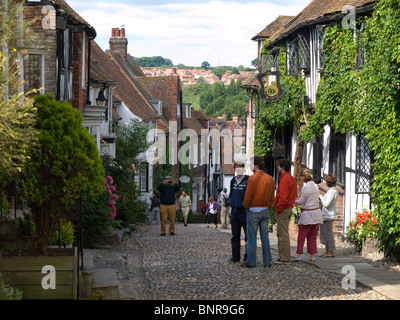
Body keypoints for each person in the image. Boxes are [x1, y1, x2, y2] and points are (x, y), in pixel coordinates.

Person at [242, 156, 275, 268]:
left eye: (251, 164)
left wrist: (246, 206)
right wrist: (269, 204)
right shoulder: (270, 178)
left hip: (253, 210)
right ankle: (267, 261)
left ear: (256, 165)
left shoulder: (252, 179)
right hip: (265, 209)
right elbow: (272, 196)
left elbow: (248, 197)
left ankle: (251, 262)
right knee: (265, 236)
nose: (250, 166)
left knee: (252, 237)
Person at [294, 168, 323, 262]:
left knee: (301, 236)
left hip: (308, 213)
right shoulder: (315, 186)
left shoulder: (306, 187)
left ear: (303, 177)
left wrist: (293, 200)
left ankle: (299, 255)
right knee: (312, 236)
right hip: (316, 212)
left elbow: (302, 201)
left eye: (300, 177)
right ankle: (312, 255)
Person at [275, 159, 297, 264]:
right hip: (288, 208)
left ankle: (284, 257)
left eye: (278, 166)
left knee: (282, 234)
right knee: (283, 233)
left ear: (282, 167)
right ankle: (284, 256)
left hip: (283, 209)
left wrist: (278, 209)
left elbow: (283, 197)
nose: (277, 168)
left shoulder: (285, 180)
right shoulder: (291, 178)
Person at [229, 161, 249, 263]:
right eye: (237, 167)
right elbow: (231, 193)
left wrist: (245, 204)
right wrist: (230, 201)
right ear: (235, 169)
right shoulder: (233, 180)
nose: (239, 169)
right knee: (235, 235)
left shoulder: (247, 180)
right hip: (234, 211)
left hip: (244, 211)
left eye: (241, 167)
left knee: (247, 235)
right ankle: (235, 257)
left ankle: (247, 256)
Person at [319, 174, 338, 258]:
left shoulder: (332, 191)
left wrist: (321, 196)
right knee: (325, 234)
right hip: (326, 215)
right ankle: (327, 250)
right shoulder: (332, 190)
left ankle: (331, 251)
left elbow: (326, 204)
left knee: (328, 234)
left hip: (328, 215)